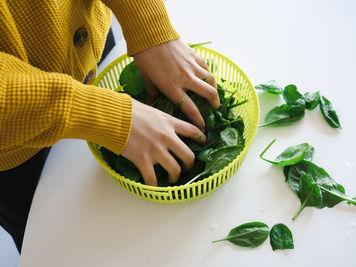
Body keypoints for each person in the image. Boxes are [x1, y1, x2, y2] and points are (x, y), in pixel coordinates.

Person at [0, 0, 219, 253]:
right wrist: (104, 115)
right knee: (57, 246)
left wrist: (147, 23)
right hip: (16, 149)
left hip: (89, 45)